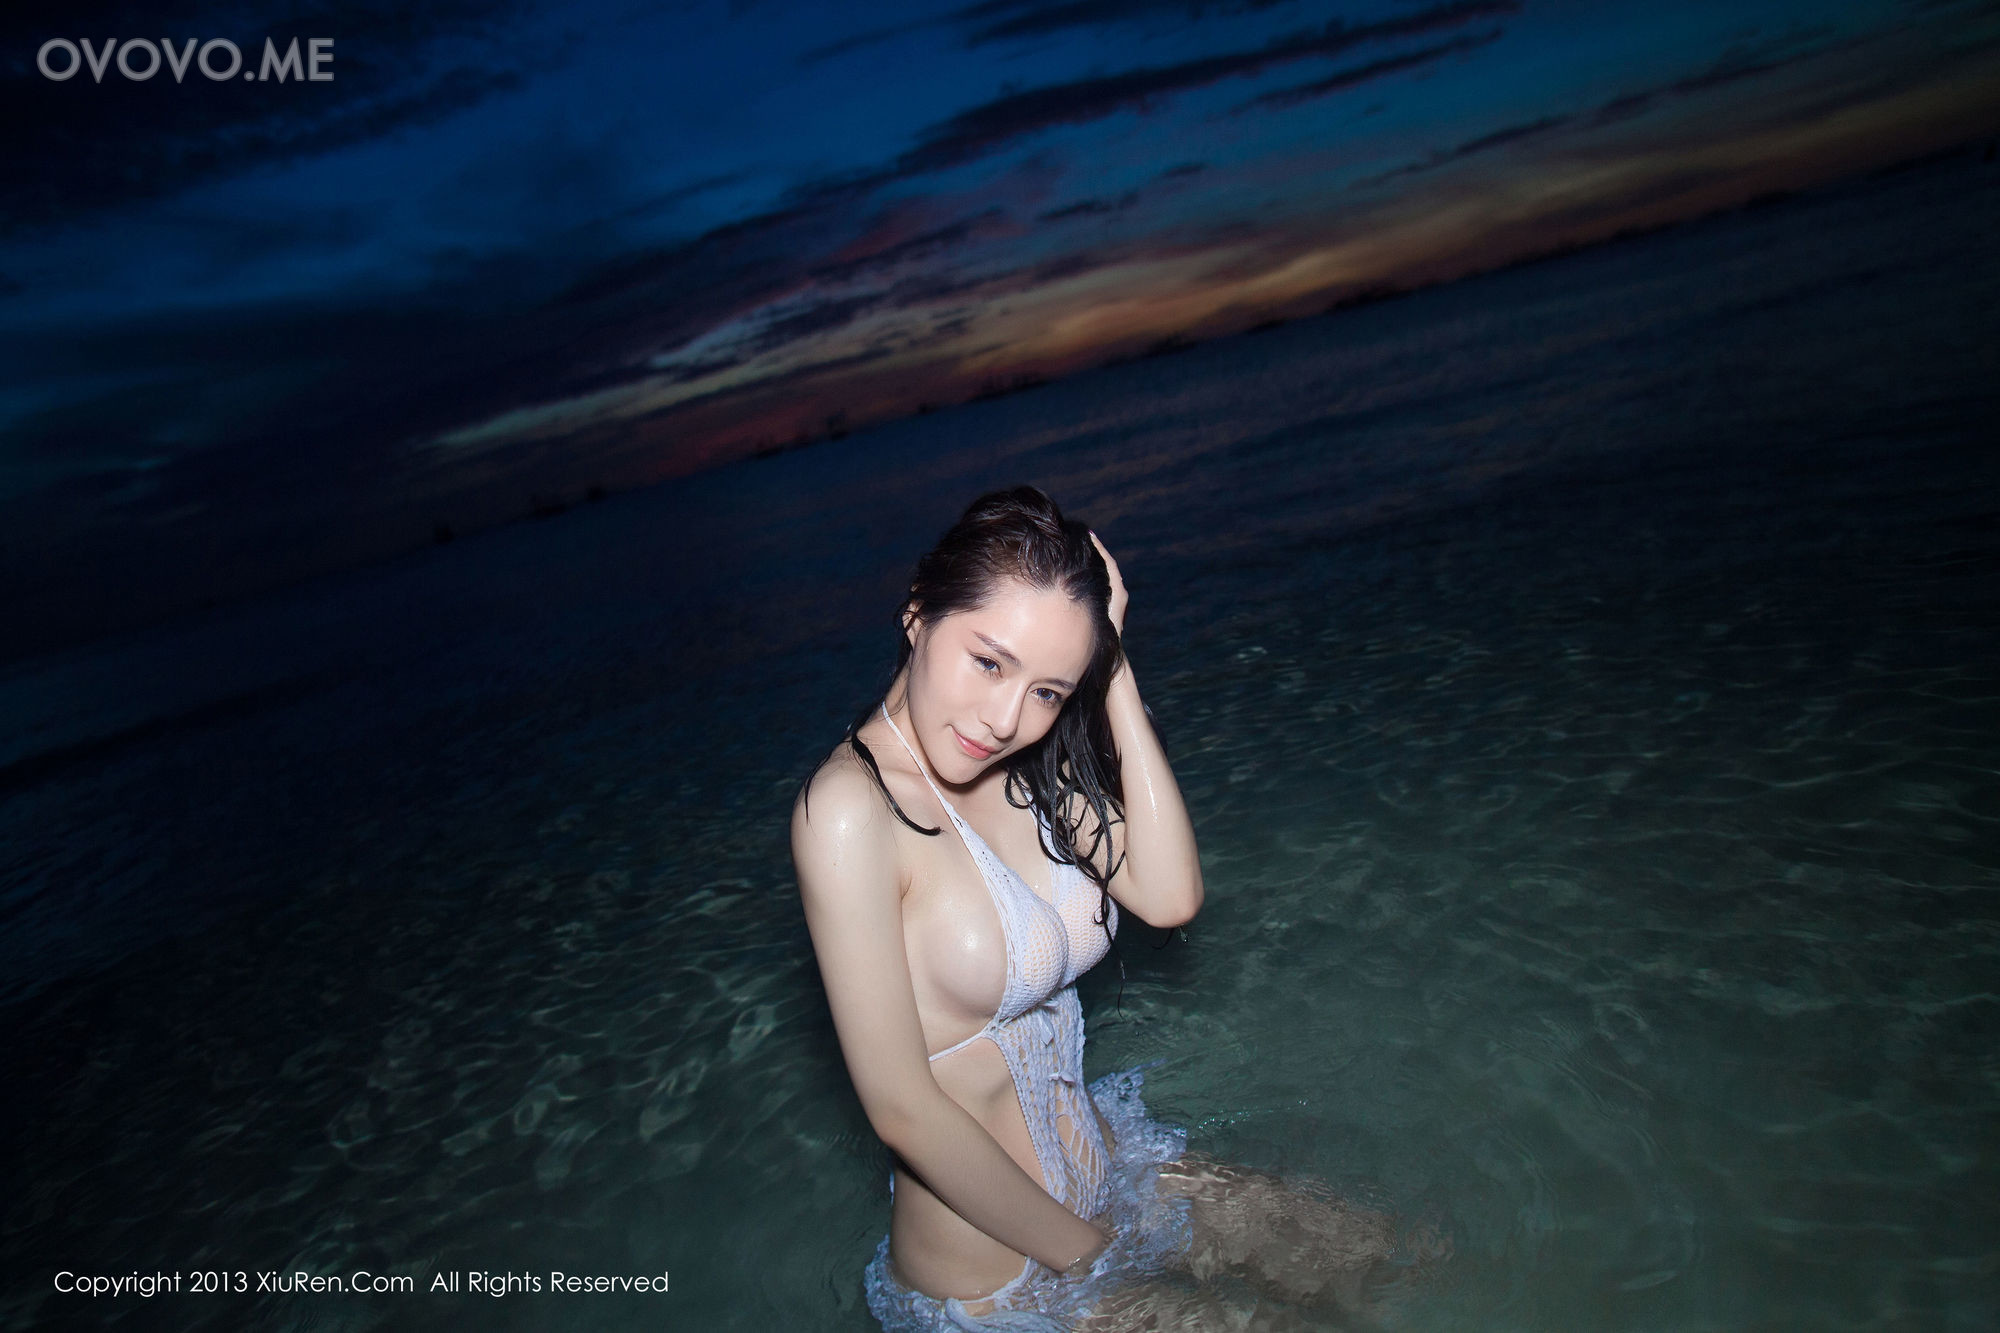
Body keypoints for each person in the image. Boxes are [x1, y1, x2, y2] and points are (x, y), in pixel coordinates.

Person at [793, 487, 1433, 1332]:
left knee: (1391, 1251)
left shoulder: (1021, 766)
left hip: (1114, 1170)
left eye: (1048, 691)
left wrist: (1113, 666)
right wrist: (1096, 1257)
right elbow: (902, 1107)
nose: (1004, 718)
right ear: (918, 615)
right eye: (989, 662)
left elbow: (1169, 896)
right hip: (1007, 1271)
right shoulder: (850, 810)